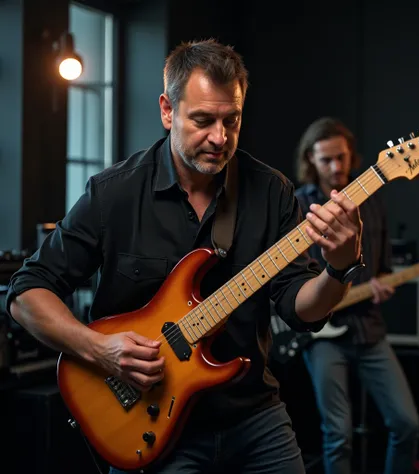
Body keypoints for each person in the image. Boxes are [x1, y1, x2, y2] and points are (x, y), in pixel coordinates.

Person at [6, 41, 363, 474]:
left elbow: (302, 310)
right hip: (148, 419)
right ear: (167, 110)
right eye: (202, 120)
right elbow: (26, 293)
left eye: (231, 120)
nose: (220, 136)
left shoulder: (271, 192)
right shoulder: (115, 193)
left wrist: (338, 266)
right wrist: (100, 349)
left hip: (251, 415)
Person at [294, 117, 419, 474]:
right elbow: (294, 281)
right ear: (311, 161)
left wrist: (382, 282)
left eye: (341, 157)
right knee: (339, 435)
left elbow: (381, 268)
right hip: (324, 337)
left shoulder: (373, 201)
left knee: (406, 423)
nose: (336, 167)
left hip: (370, 328)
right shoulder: (299, 206)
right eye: (326, 160)